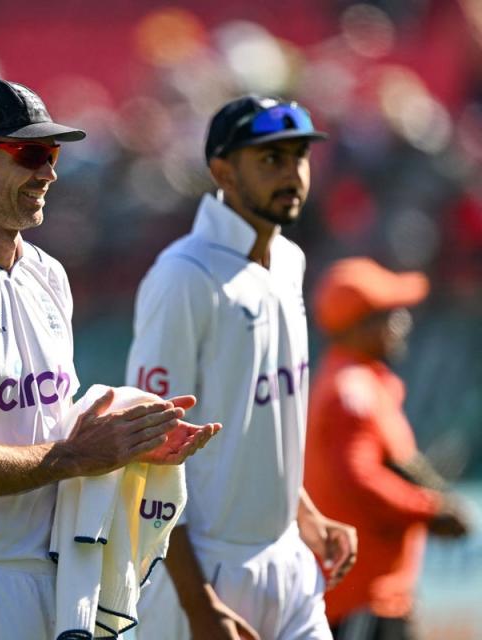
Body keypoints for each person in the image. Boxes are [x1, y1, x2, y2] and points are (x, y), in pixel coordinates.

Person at [0, 77, 219, 640]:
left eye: (52, 153)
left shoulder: (48, 274)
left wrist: (131, 443)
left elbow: (53, 425)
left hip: (63, 578)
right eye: (30, 153)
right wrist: (73, 457)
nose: (49, 173)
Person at [127, 95, 358, 640]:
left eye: (298, 157)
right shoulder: (183, 276)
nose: (293, 174)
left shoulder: (289, 260)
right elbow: (146, 453)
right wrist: (199, 604)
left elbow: (260, 423)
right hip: (203, 573)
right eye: (270, 160)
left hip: (289, 561)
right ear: (222, 171)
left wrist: (304, 515)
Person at [304, 257, 472, 640]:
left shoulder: (354, 382)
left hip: (373, 593)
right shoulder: (351, 391)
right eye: (391, 315)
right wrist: (430, 512)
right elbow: (358, 478)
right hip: (363, 596)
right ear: (360, 326)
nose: (403, 325)